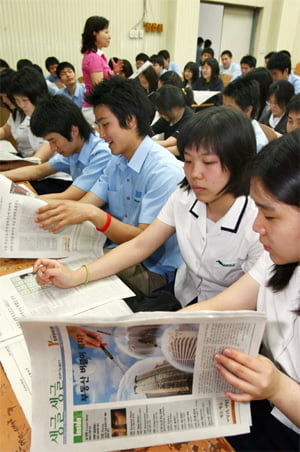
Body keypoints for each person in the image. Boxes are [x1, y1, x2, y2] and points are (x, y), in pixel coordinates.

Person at [33, 106, 263, 313]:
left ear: (239, 162)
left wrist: (177, 321)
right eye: (189, 161)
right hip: (185, 291)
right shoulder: (185, 194)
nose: (194, 174)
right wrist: (75, 276)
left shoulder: (260, 220)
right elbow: (140, 245)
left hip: (228, 311)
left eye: (209, 163)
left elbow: (247, 296)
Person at [182, 130, 300, 451]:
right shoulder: (279, 258)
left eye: (270, 215)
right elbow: (224, 304)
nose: (256, 226)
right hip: (264, 399)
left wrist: (278, 387)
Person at [33, 76, 184, 296]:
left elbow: (141, 243)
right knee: (60, 269)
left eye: (105, 125)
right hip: (118, 251)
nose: (101, 135)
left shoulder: (163, 171)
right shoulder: (117, 161)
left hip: (153, 271)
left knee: (72, 286)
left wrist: (95, 215)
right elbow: (84, 205)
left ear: (130, 120)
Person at [1, 95, 111, 196]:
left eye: (53, 141)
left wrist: (21, 200)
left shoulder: (101, 153)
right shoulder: (74, 147)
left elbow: (69, 197)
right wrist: (2, 177)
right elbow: (39, 170)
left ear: (74, 131)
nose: (53, 148)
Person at [0, 66, 53, 169]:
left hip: (53, 176)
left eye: (24, 100)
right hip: (38, 169)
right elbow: (6, 130)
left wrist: (5, 168)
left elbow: (37, 161)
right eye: (18, 101)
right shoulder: (31, 114)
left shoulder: (50, 117)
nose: (22, 106)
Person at [81, 15, 122, 125]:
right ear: (95, 33)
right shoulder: (93, 57)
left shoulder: (96, 55)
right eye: (106, 32)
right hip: (94, 109)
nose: (109, 36)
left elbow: (101, 79)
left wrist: (113, 73)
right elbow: (99, 87)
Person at [223, 77, 271, 151]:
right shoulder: (228, 128)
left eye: (230, 108)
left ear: (248, 110)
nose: (224, 112)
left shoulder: (257, 143)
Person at [151, 84, 194, 156]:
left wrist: (145, 145)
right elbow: (150, 131)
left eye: (161, 111)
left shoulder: (189, 120)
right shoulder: (168, 116)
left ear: (175, 108)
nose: (159, 114)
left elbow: (170, 143)